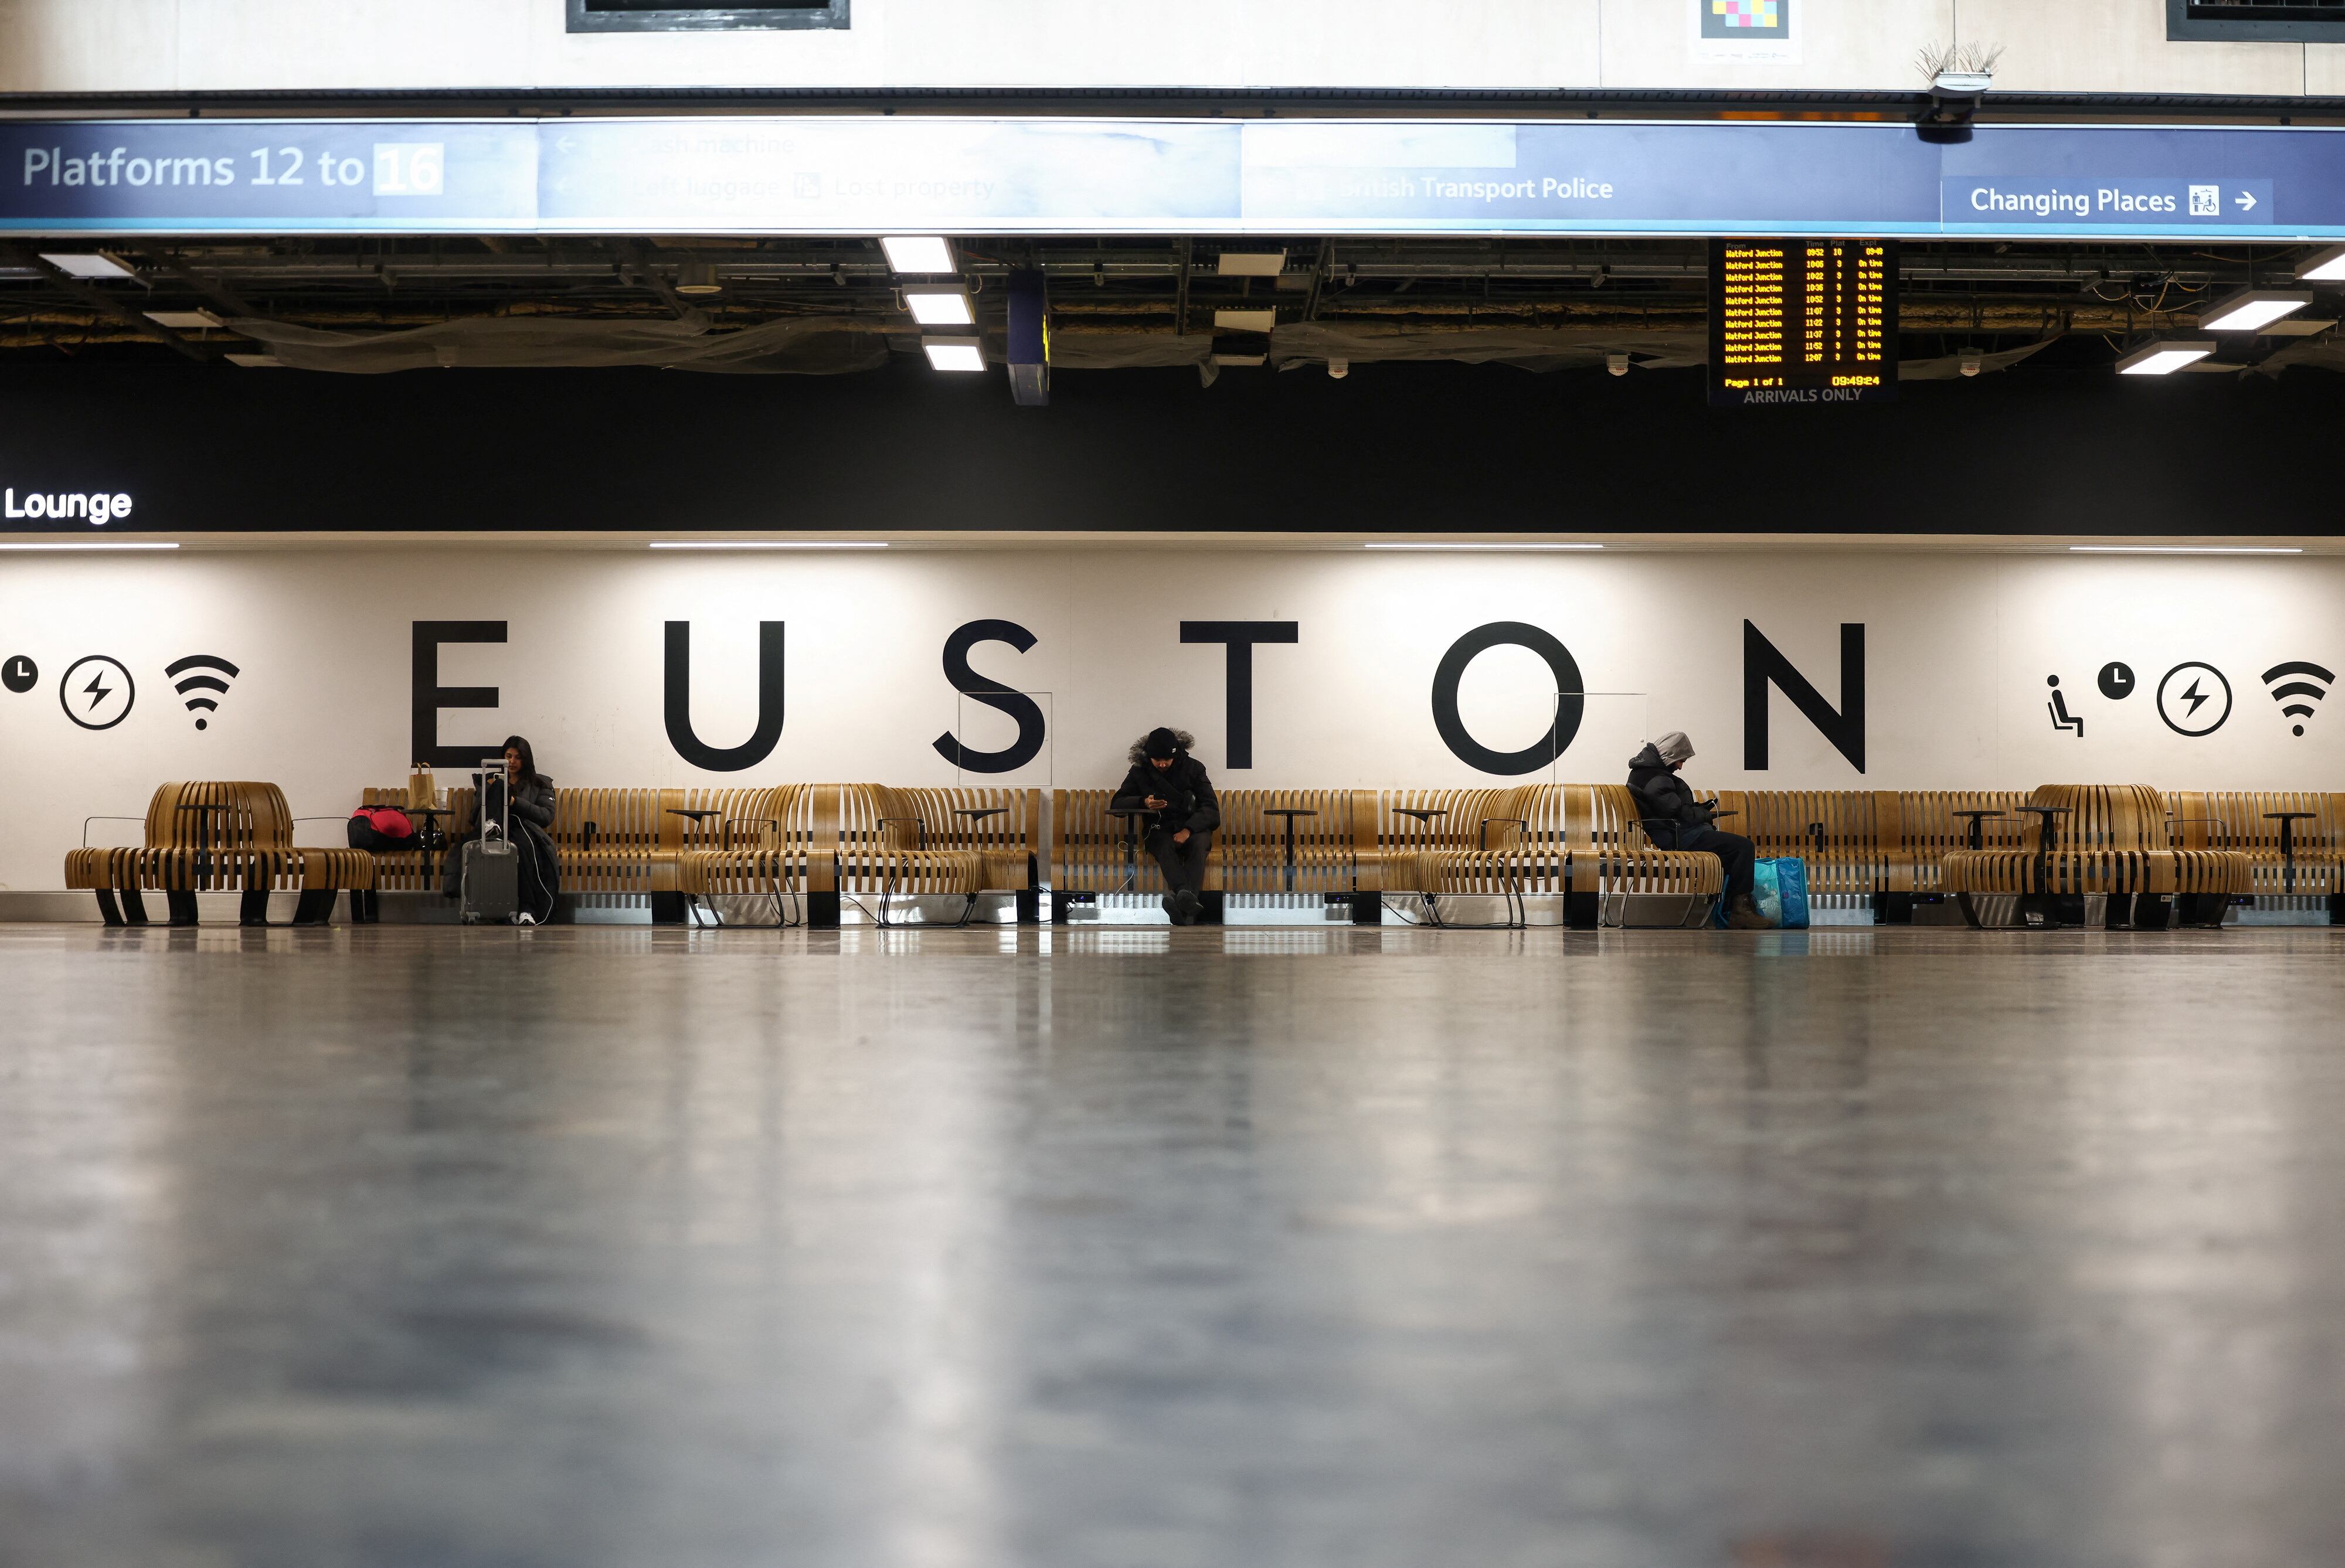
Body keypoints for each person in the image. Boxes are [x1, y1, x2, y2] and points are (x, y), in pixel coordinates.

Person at [1626, 730, 1768, 930]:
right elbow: (1677, 813)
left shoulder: (1647, 773)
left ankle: (1730, 911)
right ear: (1669, 754)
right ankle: (1739, 912)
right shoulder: (1654, 776)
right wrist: (1704, 815)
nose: (1680, 766)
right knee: (1743, 847)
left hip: (1678, 833)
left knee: (1731, 851)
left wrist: (1699, 811)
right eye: (1680, 760)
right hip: (1680, 837)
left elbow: (1673, 808)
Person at [440, 734, 560, 925]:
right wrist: (487, 793)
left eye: (518, 757)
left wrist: (514, 802)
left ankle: (527, 910)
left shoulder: (540, 784)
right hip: (493, 830)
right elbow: (474, 818)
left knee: (520, 847)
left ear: (526, 760)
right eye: (509, 756)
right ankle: (493, 827)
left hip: (523, 829)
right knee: (499, 787)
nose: (512, 762)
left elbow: (546, 817)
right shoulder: (490, 781)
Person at [1111, 726, 1221, 926]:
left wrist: (1188, 830)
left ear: (1176, 755)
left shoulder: (1194, 768)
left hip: (1193, 828)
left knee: (1199, 845)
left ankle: (1181, 904)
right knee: (1163, 846)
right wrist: (1143, 802)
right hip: (1159, 828)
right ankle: (1185, 898)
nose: (1162, 764)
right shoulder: (1139, 772)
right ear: (1149, 757)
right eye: (1157, 760)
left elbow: (1211, 808)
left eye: (1167, 760)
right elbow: (1117, 804)